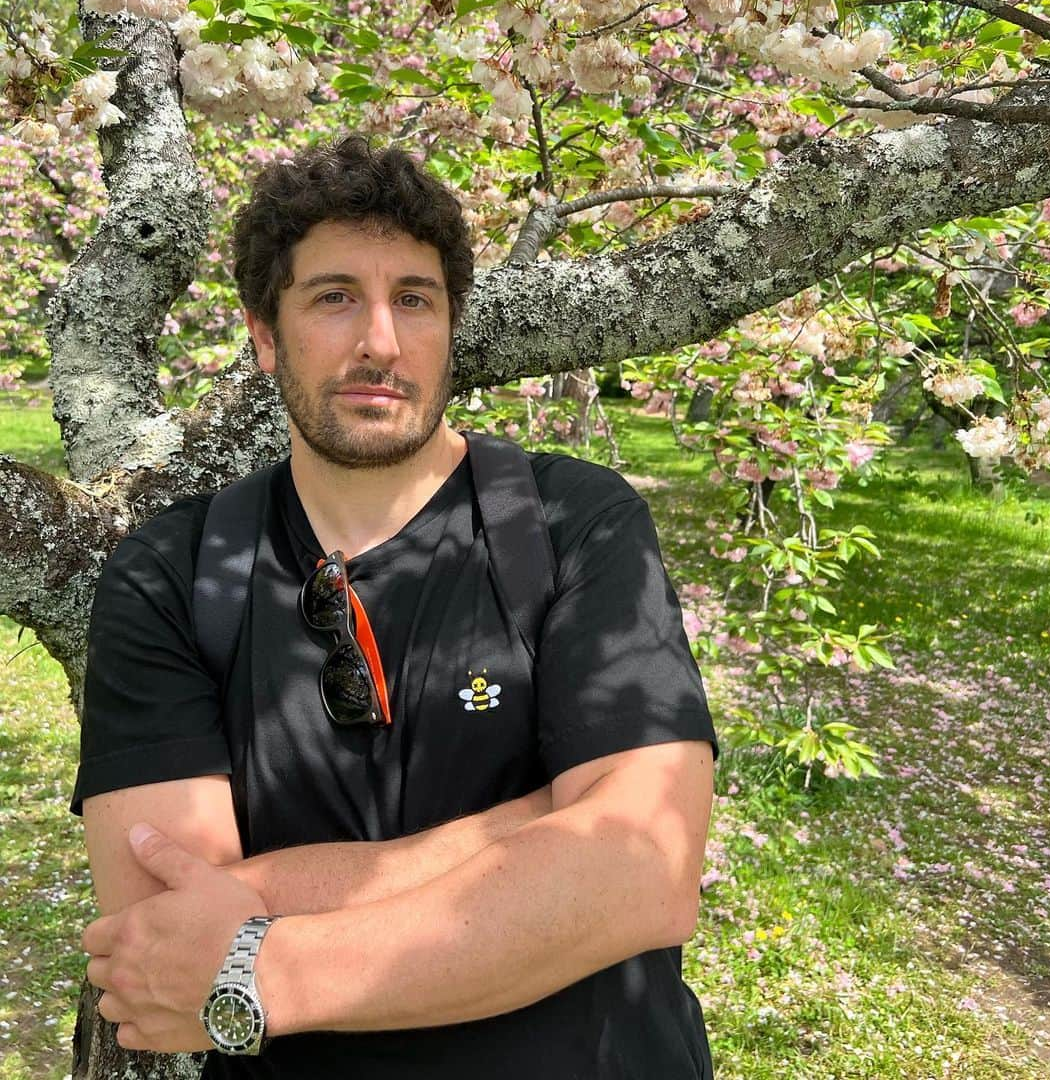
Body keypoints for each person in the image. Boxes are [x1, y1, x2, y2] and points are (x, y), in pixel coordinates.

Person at [72, 135, 719, 1078]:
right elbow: (159, 932)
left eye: (413, 300)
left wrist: (267, 963)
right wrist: (546, 821)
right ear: (264, 333)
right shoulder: (172, 572)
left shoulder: (573, 521)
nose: (381, 341)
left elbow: (645, 871)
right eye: (335, 297)